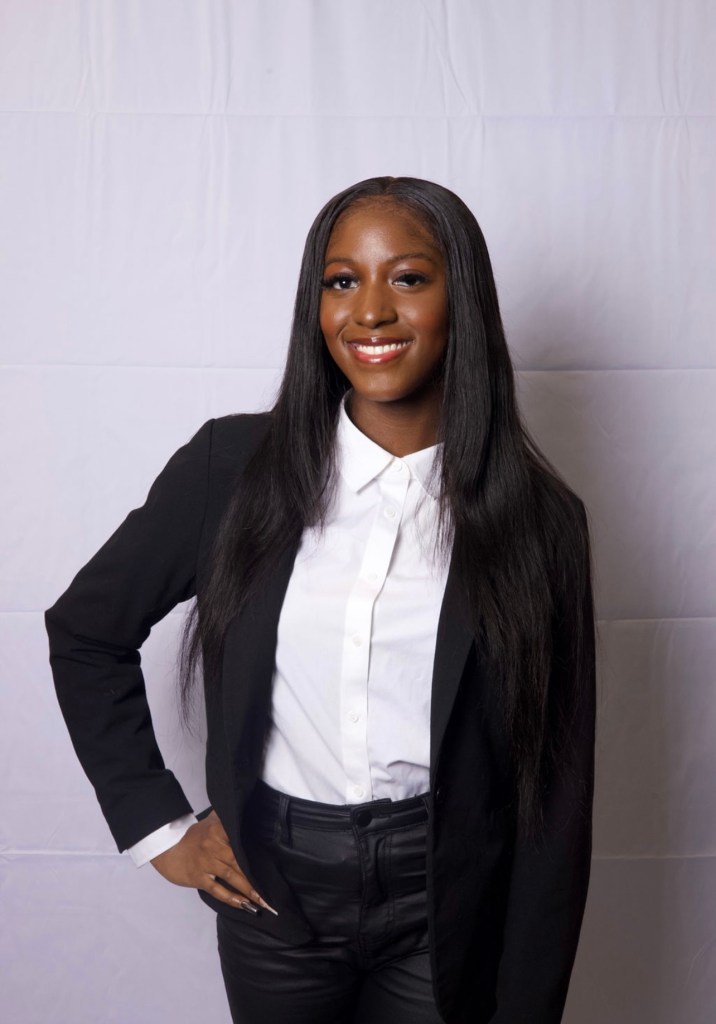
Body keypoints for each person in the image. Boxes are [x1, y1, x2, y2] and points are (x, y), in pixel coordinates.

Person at [45, 176, 596, 1024]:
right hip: (274, 893)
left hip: (444, 897)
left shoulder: (539, 521)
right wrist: (160, 828)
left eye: (407, 278)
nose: (370, 310)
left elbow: (553, 794)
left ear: (462, 301)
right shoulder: (231, 468)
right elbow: (87, 630)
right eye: (342, 281)